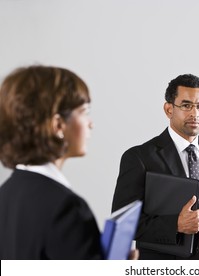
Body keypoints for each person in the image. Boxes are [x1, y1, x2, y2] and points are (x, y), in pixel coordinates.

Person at [0, 65, 138, 260]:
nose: (91, 123)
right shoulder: (65, 208)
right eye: (84, 111)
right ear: (58, 125)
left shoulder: (6, 193)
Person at [112, 74, 199, 260]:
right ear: (169, 109)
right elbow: (123, 225)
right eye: (186, 105)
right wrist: (176, 223)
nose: (194, 113)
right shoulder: (139, 158)